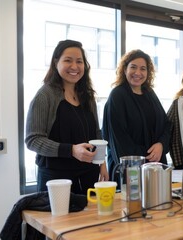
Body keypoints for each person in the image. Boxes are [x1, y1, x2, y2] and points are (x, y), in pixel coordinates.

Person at [25, 39, 109, 195]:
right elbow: (33, 140)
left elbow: (96, 134)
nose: (74, 67)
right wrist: (71, 150)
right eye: (68, 60)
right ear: (56, 62)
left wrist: (102, 162)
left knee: (90, 219)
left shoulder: (87, 95)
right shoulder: (45, 96)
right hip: (57, 179)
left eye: (79, 61)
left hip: (89, 175)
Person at [102, 49, 171, 181]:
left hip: (154, 168)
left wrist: (161, 145)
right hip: (130, 172)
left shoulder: (149, 93)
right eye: (133, 67)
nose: (138, 73)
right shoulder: (117, 95)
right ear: (124, 70)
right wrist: (147, 157)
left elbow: (166, 125)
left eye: (143, 69)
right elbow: (119, 139)